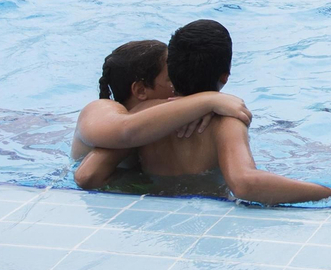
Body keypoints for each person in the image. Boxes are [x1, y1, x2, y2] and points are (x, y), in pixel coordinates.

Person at [75, 22, 331, 203]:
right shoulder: (224, 120)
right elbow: (244, 182)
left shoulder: (145, 119)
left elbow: (88, 175)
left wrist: (151, 188)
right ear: (225, 75)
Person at [71, 39, 254, 188]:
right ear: (141, 90)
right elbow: (89, 174)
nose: (181, 85)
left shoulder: (152, 129)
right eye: (172, 79)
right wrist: (209, 100)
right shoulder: (100, 109)